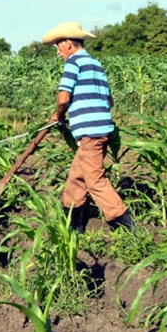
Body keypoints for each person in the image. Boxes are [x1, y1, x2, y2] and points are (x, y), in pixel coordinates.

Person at [43, 21, 135, 233]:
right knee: (77, 177)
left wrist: (59, 114)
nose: (58, 52)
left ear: (68, 44)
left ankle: (127, 226)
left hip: (89, 133)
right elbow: (109, 99)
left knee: (95, 180)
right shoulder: (96, 64)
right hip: (101, 129)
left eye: (58, 46)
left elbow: (64, 97)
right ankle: (73, 226)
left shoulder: (73, 63)